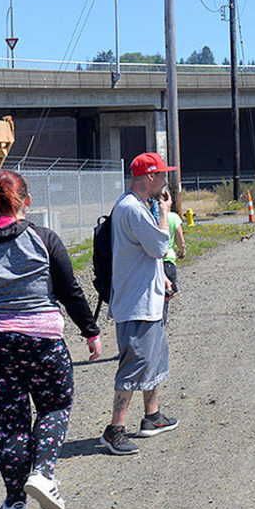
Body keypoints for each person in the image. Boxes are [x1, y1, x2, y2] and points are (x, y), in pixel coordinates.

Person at [0, 170, 101, 509]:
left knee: (10, 422)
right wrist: (90, 331)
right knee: (55, 406)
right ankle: (43, 474)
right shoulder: (43, 238)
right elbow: (69, 290)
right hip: (40, 338)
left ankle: (15, 504)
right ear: (26, 201)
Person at [100, 152, 180, 456]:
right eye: (162, 174)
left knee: (153, 360)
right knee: (134, 365)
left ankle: (152, 417)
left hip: (147, 299)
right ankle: (115, 430)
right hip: (136, 303)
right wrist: (165, 213)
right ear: (150, 176)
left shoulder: (137, 205)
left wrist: (163, 279)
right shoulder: (132, 208)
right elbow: (159, 246)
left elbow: (146, 253)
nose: (165, 180)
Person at [164, 200, 186, 303]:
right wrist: (182, 251)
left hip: (152, 262)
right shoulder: (173, 217)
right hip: (168, 260)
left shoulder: (150, 216)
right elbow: (181, 241)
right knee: (167, 295)